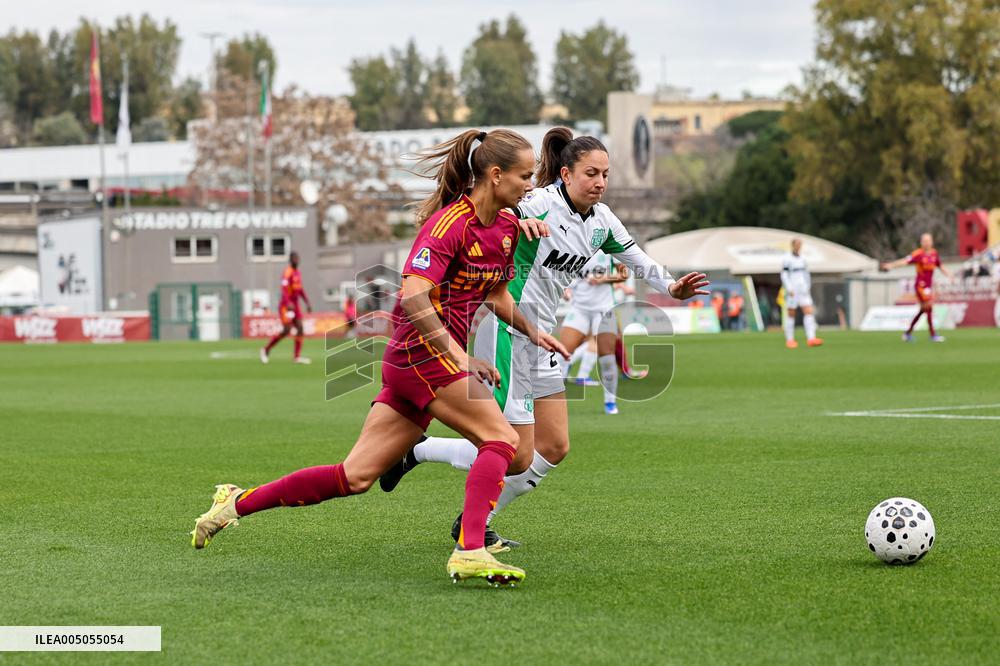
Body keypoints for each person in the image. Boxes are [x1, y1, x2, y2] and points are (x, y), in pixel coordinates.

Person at [191, 128, 568, 587]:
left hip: (427, 363)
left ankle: (234, 502)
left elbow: (495, 293)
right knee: (503, 442)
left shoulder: (506, 229)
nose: (532, 185)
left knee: (355, 476)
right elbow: (413, 297)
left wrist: (534, 331)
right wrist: (458, 357)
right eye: (525, 176)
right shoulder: (450, 225)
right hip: (418, 357)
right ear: (495, 175)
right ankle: (470, 549)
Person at [379, 127, 708, 551]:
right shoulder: (536, 202)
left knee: (553, 447)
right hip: (506, 331)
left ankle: (445, 486)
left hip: (541, 338)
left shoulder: (602, 221)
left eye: (606, 174)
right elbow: (491, 210)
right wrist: (520, 219)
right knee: (510, 447)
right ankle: (435, 479)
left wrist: (672, 286)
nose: (600, 182)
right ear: (566, 174)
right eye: (591, 173)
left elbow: (637, 259)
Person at [560, 251, 629, 413]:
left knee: (607, 357)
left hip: (603, 309)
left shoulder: (608, 248)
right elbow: (561, 275)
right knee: (561, 353)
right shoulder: (572, 245)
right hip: (579, 309)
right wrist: (564, 290)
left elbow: (624, 274)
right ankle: (554, 400)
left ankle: (610, 402)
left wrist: (603, 279)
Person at [881, 233, 952, 342]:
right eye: (924, 241)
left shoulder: (934, 254)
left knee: (924, 310)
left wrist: (949, 275)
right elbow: (905, 261)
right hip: (920, 286)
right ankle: (933, 335)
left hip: (928, 287)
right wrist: (891, 265)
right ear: (921, 242)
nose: (926, 243)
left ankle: (908, 333)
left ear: (932, 242)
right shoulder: (918, 254)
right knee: (928, 308)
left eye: (928, 240)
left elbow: (940, 265)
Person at [261, 252, 313, 364]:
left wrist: (307, 302)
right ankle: (266, 349)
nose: (297, 260)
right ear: (291, 260)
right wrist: (288, 302)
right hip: (286, 305)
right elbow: (283, 289)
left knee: (300, 328)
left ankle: (296, 357)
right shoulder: (287, 272)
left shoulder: (298, 273)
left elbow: (300, 290)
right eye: (295, 258)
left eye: (298, 258)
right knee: (287, 330)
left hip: (296, 305)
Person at [781, 238, 823, 348]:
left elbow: (806, 274)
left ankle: (811, 338)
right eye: (797, 244)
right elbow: (784, 275)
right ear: (792, 245)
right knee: (791, 313)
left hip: (803, 289)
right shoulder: (787, 258)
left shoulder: (803, 258)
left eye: (800, 244)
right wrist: (789, 288)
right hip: (793, 289)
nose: (798, 246)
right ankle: (790, 340)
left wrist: (807, 286)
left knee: (809, 311)